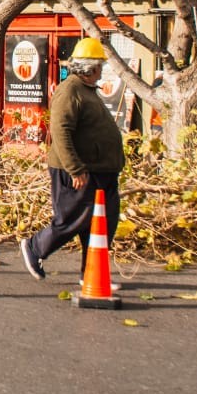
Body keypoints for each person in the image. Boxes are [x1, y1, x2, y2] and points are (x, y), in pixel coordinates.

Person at [21, 36, 126, 284]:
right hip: (78, 171)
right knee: (71, 219)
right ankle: (35, 247)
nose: (102, 69)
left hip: (101, 171)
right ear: (91, 67)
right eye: (100, 64)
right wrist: (75, 169)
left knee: (102, 224)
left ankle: (92, 273)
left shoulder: (87, 90)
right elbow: (60, 131)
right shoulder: (70, 90)